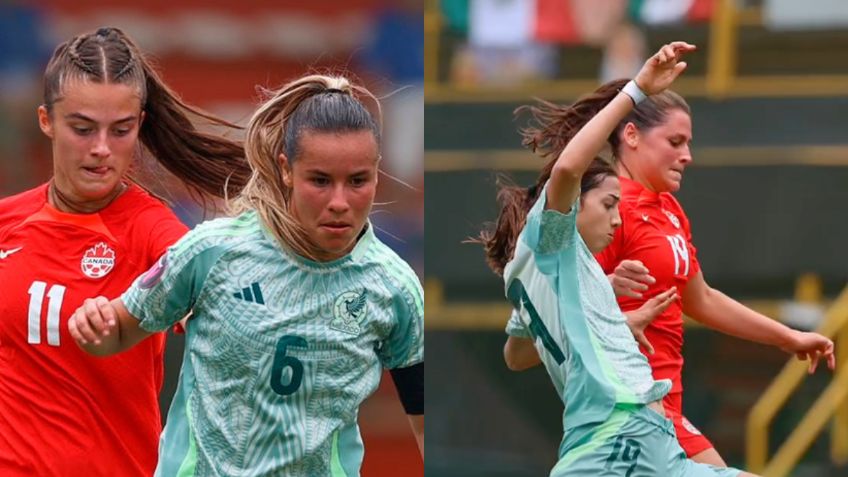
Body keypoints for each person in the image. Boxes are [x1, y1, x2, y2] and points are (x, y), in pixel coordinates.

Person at [477, 41, 831, 476]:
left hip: (654, 414)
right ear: (631, 137)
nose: (687, 155)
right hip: (625, 414)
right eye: (676, 141)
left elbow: (699, 299)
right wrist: (637, 89)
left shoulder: (666, 211)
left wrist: (788, 338)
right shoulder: (596, 218)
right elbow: (539, 336)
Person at [68, 74, 424, 476]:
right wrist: (95, 323)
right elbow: (119, 330)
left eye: (358, 181)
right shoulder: (213, 252)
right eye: (320, 181)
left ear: (377, 172)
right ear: (287, 170)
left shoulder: (394, 287)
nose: (339, 202)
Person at [0, 27, 248, 476]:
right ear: (46, 120)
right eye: (82, 128)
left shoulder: (152, 232)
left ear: (141, 126)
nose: (100, 149)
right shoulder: (7, 223)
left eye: (121, 130)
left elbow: (218, 310)